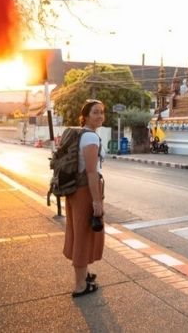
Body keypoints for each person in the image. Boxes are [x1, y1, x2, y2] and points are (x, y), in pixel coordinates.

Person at [63, 99, 106, 297]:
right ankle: (80, 285)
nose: (100, 116)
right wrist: (96, 201)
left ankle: (85, 274)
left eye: (102, 112)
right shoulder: (90, 138)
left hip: (74, 190)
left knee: (80, 231)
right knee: (83, 235)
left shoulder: (81, 133)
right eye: (95, 112)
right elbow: (91, 172)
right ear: (86, 115)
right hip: (84, 192)